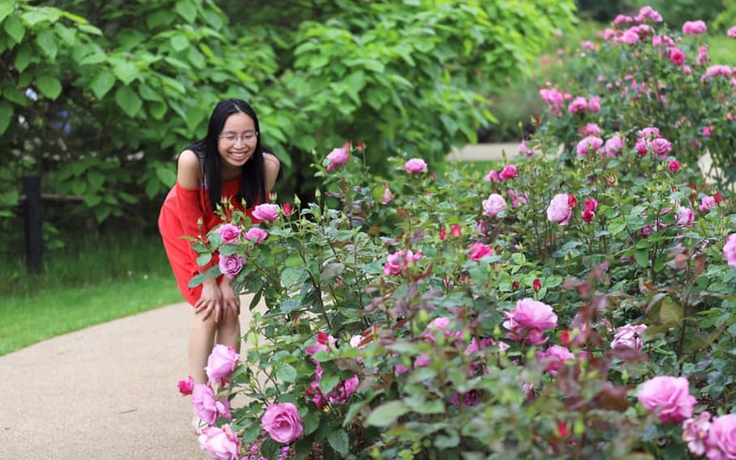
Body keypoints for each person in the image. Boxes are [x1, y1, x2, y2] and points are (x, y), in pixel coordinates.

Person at [158, 98, 281, 391]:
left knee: (229, 305)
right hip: (186, 228)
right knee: (209, 305)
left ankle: (223, 401)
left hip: (232, 230)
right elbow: (190, 222)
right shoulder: (192, 162)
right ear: (215, 137)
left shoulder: (266, 166)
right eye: (230, 136)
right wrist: (210, 280)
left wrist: (228, 279)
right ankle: (202, 404)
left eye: (248, 136)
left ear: (257, 136)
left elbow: (249, 226)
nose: (240, 145)